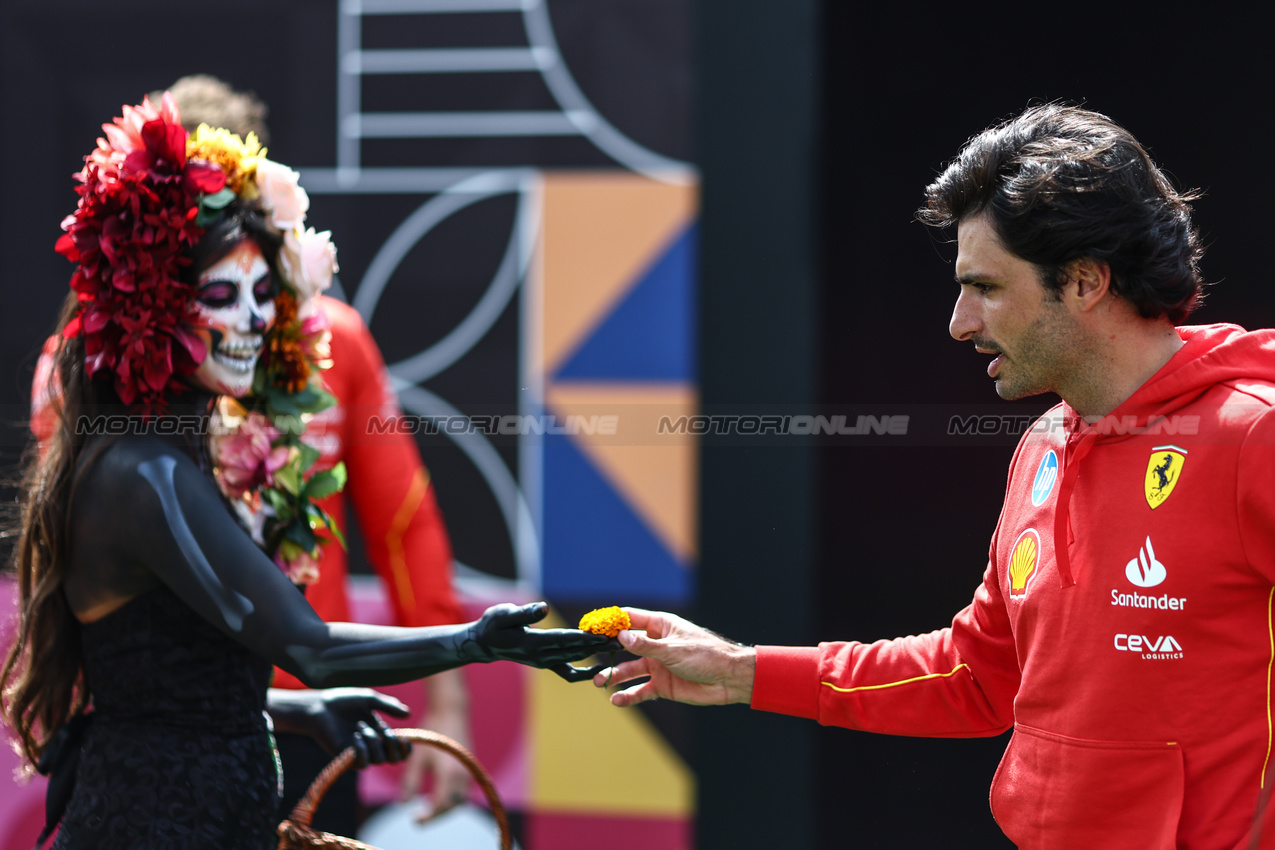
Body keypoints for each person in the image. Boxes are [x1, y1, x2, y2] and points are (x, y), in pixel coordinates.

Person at [595, 104, 1275, 849]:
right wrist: (738, 671)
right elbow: (977, 676)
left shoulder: (1253, 434)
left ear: (1083, 281)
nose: (958, 321)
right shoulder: (1044, 444)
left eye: (984, 287)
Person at [1, 93, 609, 850]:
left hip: (252, 744)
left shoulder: (306, 364)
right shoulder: (139, 463)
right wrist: (475, 644)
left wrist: (297, 710)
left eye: (264, 292)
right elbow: (297, 646)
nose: (253, 318)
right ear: (155, 297)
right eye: (221, 293)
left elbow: (400, 521)